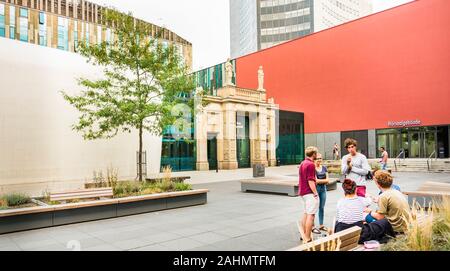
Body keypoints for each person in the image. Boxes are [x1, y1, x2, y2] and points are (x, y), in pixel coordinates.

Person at [360, 171, 411, 243]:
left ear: (378, 184)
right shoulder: (396, 191)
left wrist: (370, 212)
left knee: (365, 217)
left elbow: (379, 217)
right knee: (368, 219)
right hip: (404, 226)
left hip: (394, 229)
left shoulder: (383, 196)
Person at [298, 146, 319, 243]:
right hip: (309, 193)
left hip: (303, 192)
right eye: (316, 154)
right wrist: (315, 193)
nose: (317, 155)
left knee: (306, 213)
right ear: (314, 154)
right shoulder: (311, 164)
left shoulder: (303, 163)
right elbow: (311, 180)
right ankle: (307, 237)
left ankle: (303, 235)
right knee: (311, 215)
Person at [313, 153, 329, 234]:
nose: (319, 160)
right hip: (316, 189)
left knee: (321, 207)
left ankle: (321, 225)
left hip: (323, 189)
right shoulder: (313, 168)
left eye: (320, 158)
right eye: (318, 158)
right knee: (314, 208)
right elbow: (315, 181)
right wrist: (323, 181)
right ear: (314, 159)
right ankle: (313, 226)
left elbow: (328, 180)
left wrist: (320, 181)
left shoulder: (324, 168)